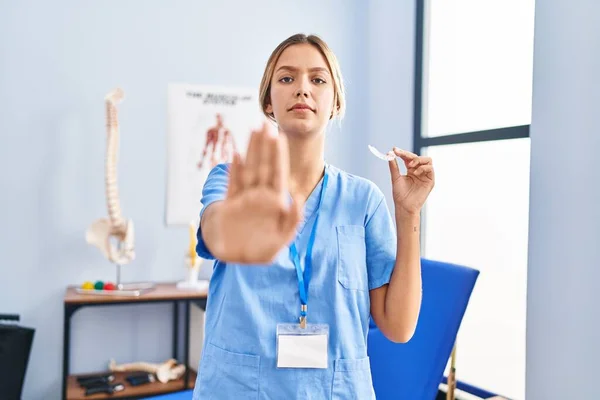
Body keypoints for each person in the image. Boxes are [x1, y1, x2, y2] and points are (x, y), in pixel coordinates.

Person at [192, 33, 435, 399]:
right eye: (287, 79)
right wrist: (239, 222)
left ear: (335, 102)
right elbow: (215, 233)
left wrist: (408, 214)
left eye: (318, 80)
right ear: (269, 102)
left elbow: (399, 327)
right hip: (238, 388)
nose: (302, 89)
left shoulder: (363, 200)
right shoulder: (232, 179)